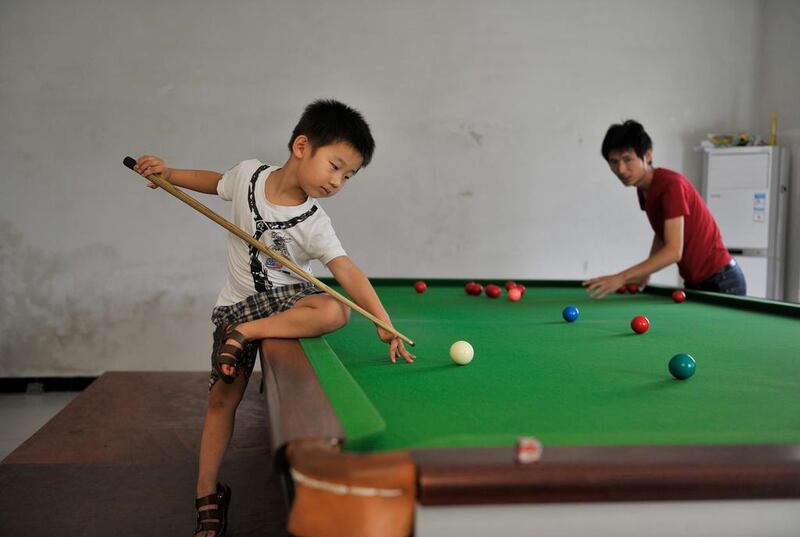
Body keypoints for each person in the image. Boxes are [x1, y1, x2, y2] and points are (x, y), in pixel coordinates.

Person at [133, 99, 415, 537]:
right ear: (301, 146)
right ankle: (207, 490)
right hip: (235, 306)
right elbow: (215, 183)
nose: (338, 181)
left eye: (348, 176)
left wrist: (382, 319)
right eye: (335, 166)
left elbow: (345, 270)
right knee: (222, 399)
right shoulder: (249, 175)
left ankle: (246, 334)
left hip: (285, 304)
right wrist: (169, 174)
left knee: (334, 307)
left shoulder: (314, 222)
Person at [583, 120, 746, 298]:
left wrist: (621, 278)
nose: (621, 169)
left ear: (647, 156)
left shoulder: (671, 186)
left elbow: (674, 251)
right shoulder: (644, 189)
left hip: (722, 280)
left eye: (627, 159)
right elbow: (662, 233)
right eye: (614, 162)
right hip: (696, 281)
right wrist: (644, 272)